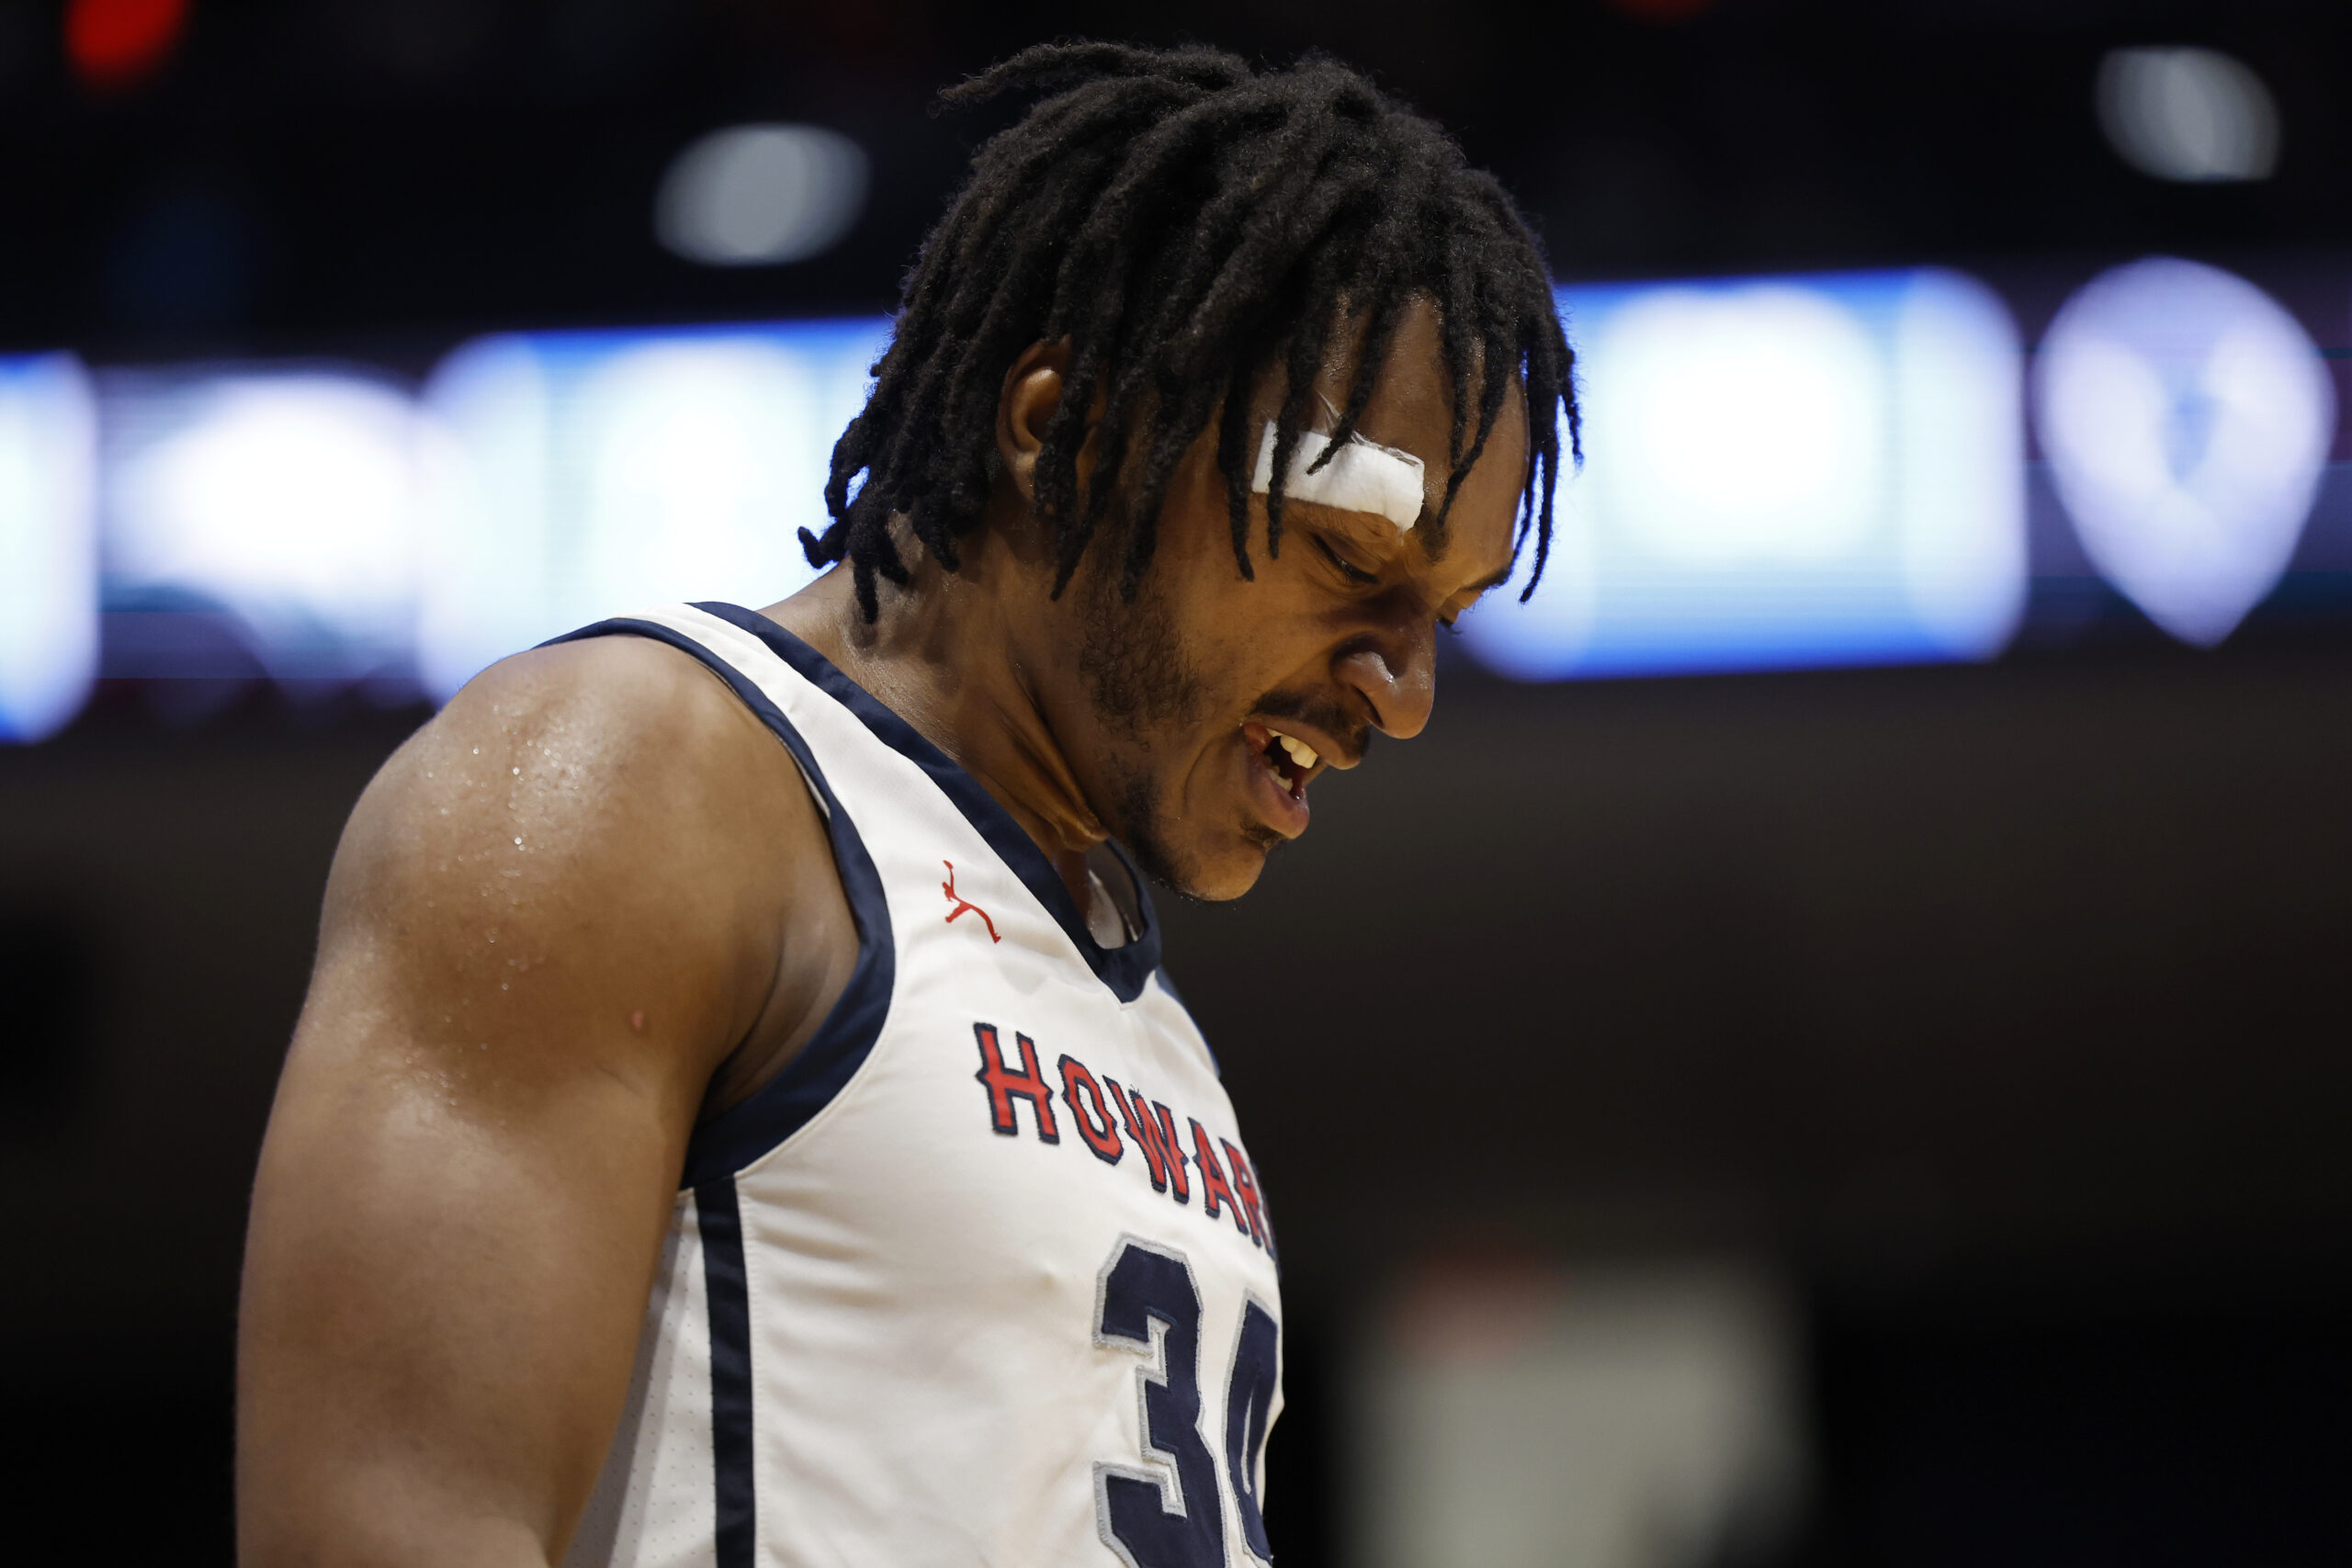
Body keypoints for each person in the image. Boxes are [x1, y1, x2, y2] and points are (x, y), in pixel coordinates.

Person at [236, 39, 1576, 1568]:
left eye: (1445, 619)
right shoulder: (638, 781)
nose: (1399, 692)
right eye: (1353, 565)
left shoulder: (1146, 1026)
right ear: (1064, 433)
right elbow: (385, 1528)